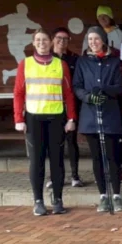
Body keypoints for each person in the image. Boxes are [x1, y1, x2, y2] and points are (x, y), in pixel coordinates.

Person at [13, 29, 78, 216]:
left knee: (57, 161)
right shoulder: (25, 64)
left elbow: (69, 94)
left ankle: (57, 199)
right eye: (38, 40)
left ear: (50, 42)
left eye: (45, 40)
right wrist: (18, 118)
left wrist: (71, 118)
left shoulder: (60, 64)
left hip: (57, 118)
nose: (42, 43)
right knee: (37, 161)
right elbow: (18, 93)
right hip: (34, 119)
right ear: (33, 43)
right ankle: (38, 201)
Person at [74, 26, 122, 212]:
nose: (93, 43)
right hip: (90, 115)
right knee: (97, 158)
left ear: (103, 40)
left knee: (112, 157)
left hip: (110, 113)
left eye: (96, 39)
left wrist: (105, 90)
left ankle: (117, 195)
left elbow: (120, 86)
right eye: (90, 40)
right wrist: (89, 97)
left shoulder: (115, 61)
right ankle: (103, 195)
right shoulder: (82, 61)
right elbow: (77, 86)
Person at [51, 26, 83, 188]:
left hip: (70, 106)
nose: (62, 41)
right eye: (59, 38)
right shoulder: (46, 58)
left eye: (65, 39)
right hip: (51, 107)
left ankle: (75, 176)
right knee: (54, 144)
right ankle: (55, 177)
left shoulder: (75, 59)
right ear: (52, 40)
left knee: (71, 141)